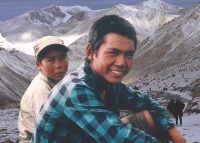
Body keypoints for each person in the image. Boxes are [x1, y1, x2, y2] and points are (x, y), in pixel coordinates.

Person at [32, 15, 186, 143]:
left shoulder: (107, 81)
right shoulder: (76, 90)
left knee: (149, 116)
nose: (121, 63)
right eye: (112, 53)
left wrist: (172, 131)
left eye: (128, 54)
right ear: (91, 52)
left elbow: (145, 101)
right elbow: (120, 138)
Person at [18, 36, 69, 142]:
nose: (59, 65)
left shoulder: (54, 82)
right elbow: (50, 131)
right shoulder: (41, 91)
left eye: (62, 58)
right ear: (38, 65)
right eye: (51, 60)